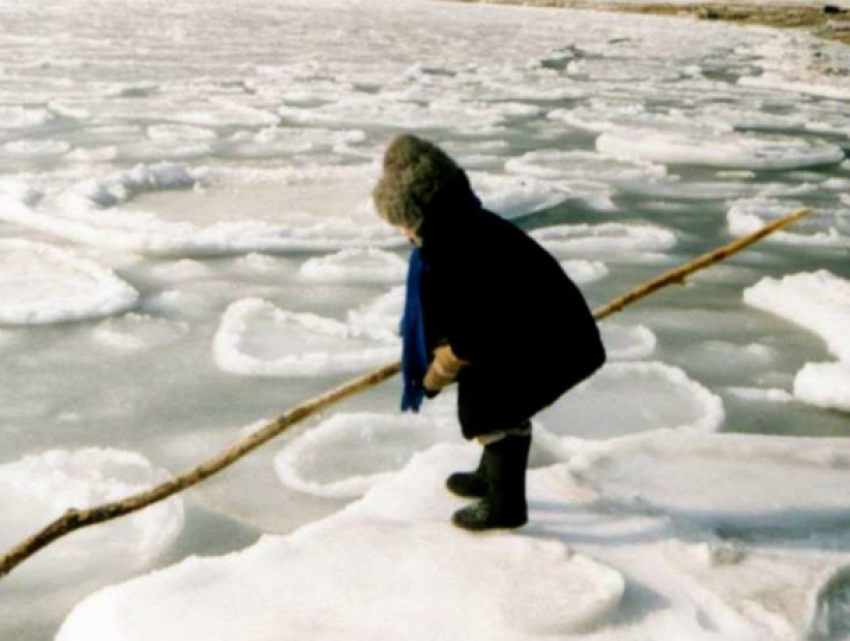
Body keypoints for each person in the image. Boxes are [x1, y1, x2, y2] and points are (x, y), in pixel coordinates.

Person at [372, 134, 605, 532]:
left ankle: (506, 506)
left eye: (402, 222)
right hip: (527, 330)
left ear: (421, 212)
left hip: (550, 339)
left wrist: (436, 372)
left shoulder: (457, 249)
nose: (402, 233)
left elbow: (471, 331)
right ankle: (492, 476)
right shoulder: (460, 226)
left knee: (493, 410)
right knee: (491, 402)